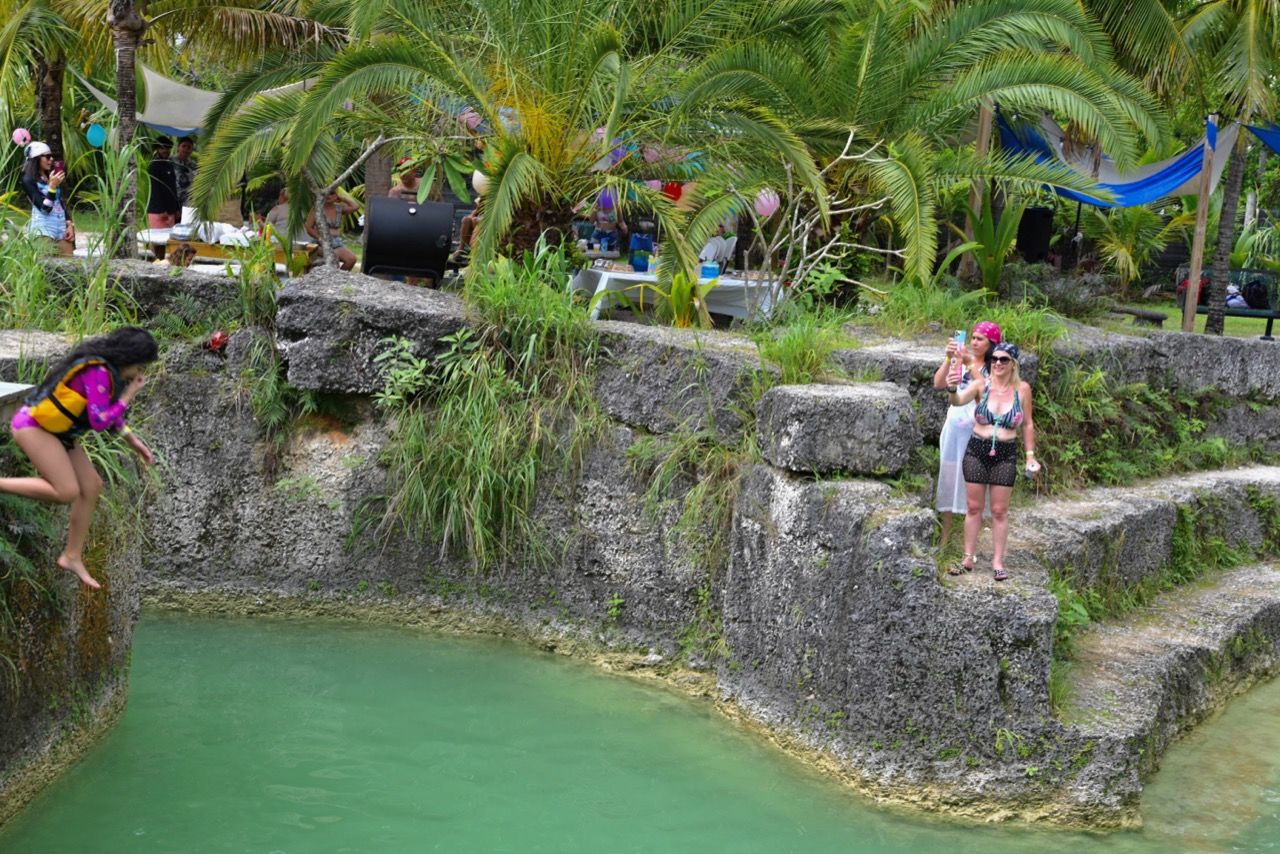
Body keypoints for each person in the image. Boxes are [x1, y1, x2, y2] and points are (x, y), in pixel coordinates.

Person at [0, 328, 157, 590]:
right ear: (129, 358)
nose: (140, 373)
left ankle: (72, 555)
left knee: (92, 486)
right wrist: (130, 395)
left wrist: (133, 441)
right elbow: (98, 421)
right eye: (140, 365)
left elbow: (110, 413)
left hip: (58, 431)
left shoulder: (109, 372)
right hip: (33, 427)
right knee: (66, 491)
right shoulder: (97, 372)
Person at [946, 342, 1040, 582]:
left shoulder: (1023, 390)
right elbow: (957, 401)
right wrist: (952, 388)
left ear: (1013, 364)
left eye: (1004, 359)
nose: (997, 363)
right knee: (974, 507)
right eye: (994, 359)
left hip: (1005, 452)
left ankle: (998, 560)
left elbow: (1028, 424)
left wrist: (1030, 456)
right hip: (977, 448)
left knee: (999, 510)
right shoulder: (981, 385)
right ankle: (968, 556)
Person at [932, 320, 1000, 555]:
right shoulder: (960, 361)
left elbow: (988, 394)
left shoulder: (995, 367)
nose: (974, 342)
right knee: (949, 478)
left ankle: (971, 544)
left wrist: (970, 364)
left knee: (975, 485)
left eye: (980, 338)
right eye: (972, 337)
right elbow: (938, 383)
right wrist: (949, 359)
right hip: (954, 426)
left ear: (992, 343)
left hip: (977, 431)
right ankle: (945, 538)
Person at [19, 141, 75, 256]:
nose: (51, 160)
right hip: (43, 230)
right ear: (36, 158)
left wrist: (69, 224)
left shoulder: (51, 175)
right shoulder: (27, 179)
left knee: (69, 269)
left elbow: (59, 201)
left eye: (52, 156)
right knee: (46, 269)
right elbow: (45, 209)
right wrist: (52, 187)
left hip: (61, 228)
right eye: (48, 156)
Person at [306, 189, 360, 271]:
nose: (328, 196)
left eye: (332, 193)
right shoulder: (317, 209)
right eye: (326, 194)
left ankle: (339, 279)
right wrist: (319, 238)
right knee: (334, 258)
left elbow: (355, 207)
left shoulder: (339, 208)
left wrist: (342, 198)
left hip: (337, 242)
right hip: (321, 242)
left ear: (336, 196)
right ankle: (333, 279)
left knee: (352, 259)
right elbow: (308, 227)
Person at [146, 137, 180, 260]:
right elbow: (156, 190)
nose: (166, 150)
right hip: (158, 210)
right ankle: (156, 261)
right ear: (157, 149)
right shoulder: (153, 166)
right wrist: (162, 210)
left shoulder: (169, 165)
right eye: (163, 148)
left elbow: (173, 189)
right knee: (157, 240)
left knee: (167, 240)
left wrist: (176, 208)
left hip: (170, 210)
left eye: (168, 148)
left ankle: (162, 262)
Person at [172, 136, 198, 208]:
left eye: (189, 147)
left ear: (192, 150)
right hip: (171, 200)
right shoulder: (170, 161)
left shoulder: (194, 165)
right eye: (183, 146)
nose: (186, 149)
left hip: (188, 202)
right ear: (178, 147)